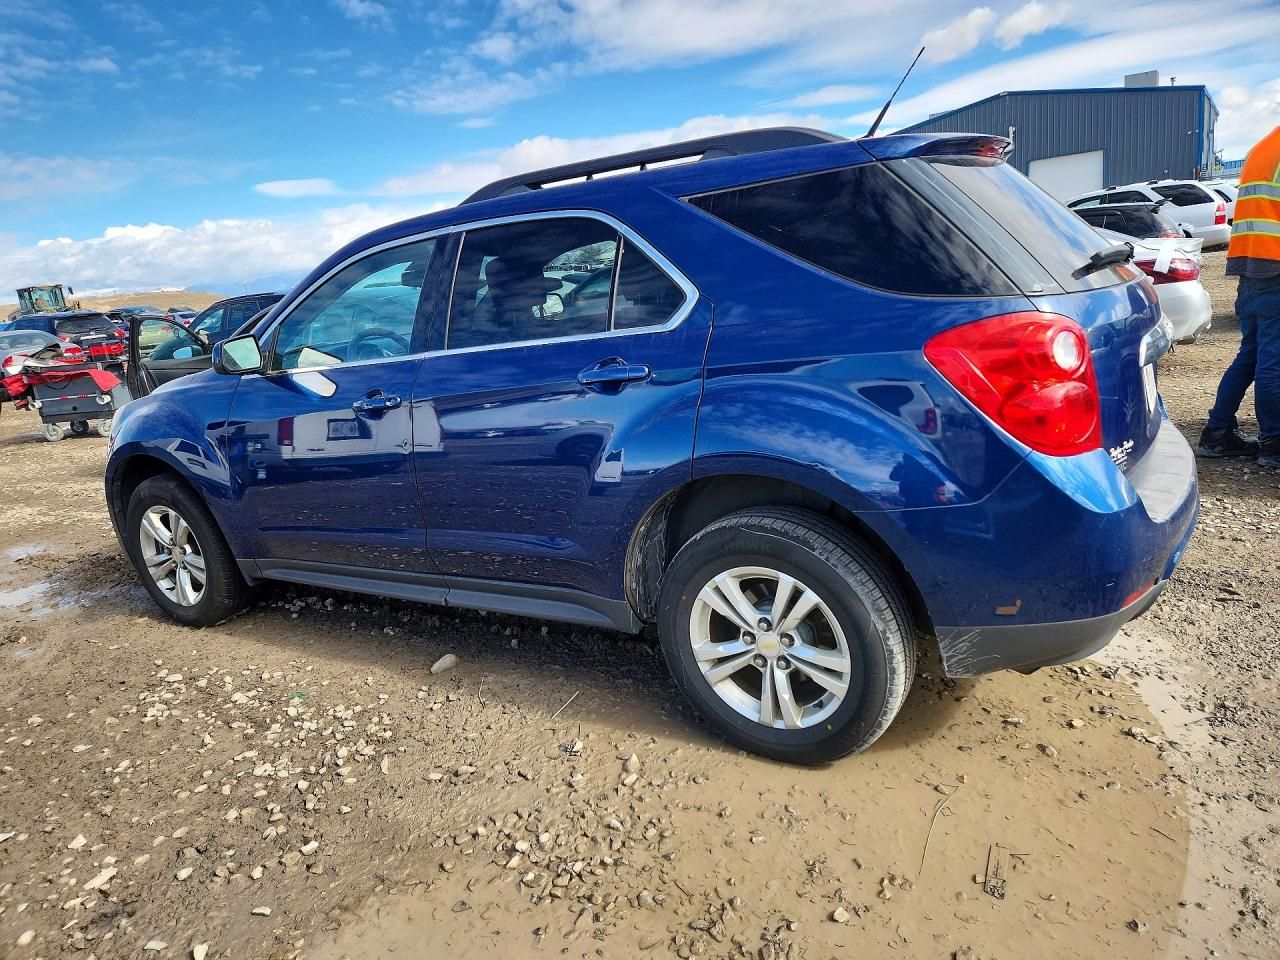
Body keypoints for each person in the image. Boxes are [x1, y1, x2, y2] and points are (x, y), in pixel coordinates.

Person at [1198, 124, 1280, 467]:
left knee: (1251, 356)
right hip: (1275, 267)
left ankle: (1217, 434)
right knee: (1273, 362)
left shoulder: (1263, 146)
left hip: (1251, 267)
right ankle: (1274, 444)